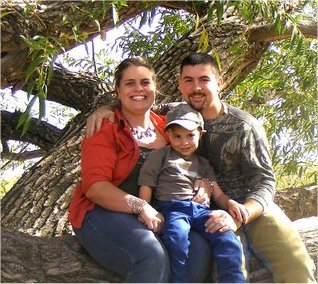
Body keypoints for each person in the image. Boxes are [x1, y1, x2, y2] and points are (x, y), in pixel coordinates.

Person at [86, 53, 316, 283]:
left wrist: (239, 216)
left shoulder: (243, 126)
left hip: (245, 205)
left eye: (204, 80)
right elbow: (135, 101)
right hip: (197, 211)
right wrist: (105, 109)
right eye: (188, 80)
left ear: (220, 81)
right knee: (210, 264)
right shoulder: (174, 115)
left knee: (295, 265)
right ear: (179, 85)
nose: (196, 87)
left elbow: (265, 180)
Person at [68, 57, 217, 283]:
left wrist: (206, 182)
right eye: (130, 83)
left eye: (145, 82)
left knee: (198, 251)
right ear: (118, 90)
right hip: (101, 213)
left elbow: (197, 162)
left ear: (155, 89)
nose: (139, 89)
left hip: (161, 213)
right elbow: (95, 187)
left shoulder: (169, 127)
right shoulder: (106, 126)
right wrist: (140, 206)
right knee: (152, 255)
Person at [138, 103, 247, 283]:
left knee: (226, 237)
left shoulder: (203, 164)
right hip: (173, 208)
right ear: (169, 135)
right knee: (177, 239)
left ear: (200, 135)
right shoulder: (161, 155)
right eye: (178, 136)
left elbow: (217, 194)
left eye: (190, 135)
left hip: (201, 211)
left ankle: (233, 280)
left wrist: (230, 204)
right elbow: (147, 184)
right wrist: (145, 210)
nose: (184, 142)